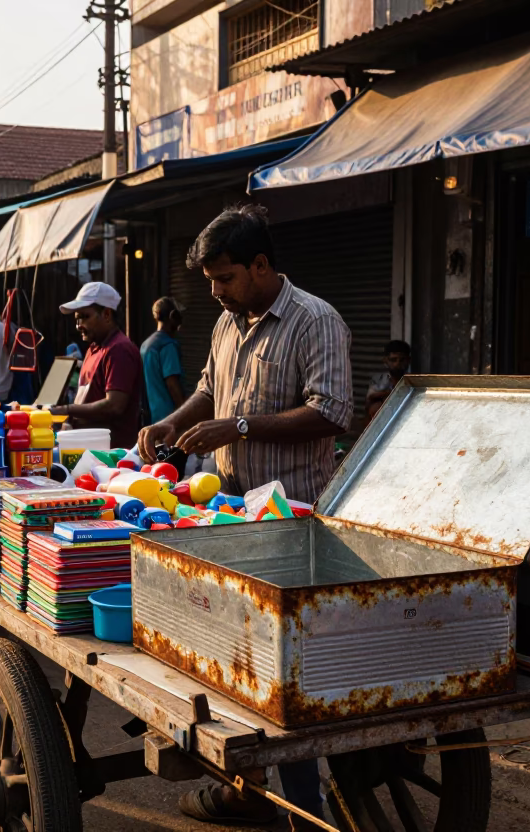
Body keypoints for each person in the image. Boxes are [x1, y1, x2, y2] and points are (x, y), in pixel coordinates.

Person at [137, 205, 352, 830]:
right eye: (210, 280)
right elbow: (210, 387)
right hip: (230, 514)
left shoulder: (316, 321)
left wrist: (237, 426)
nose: (214, 291)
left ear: (261, 265)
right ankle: (247, 788)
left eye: (225, 277)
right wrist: (171, 424)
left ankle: (302, 811)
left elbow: (333, 411)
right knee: (239, 665)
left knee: (287, 679)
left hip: (297, 523)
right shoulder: (229, 322)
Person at [49, 282, 144, 450]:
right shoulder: (94, 348)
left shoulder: (119, 349)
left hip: (111, 454)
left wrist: (66, 410)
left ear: (107, 314)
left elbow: (114, 405)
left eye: (85, 317)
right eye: (77, 319)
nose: (79, 326)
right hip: (85, 448)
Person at [140, 296, 186, 424]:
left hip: (150, 416)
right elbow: (172, 383)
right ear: (173, 316)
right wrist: (184, 413)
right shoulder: (167, 345)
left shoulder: (146, 344)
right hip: (167, 418)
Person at [366, 339, 411, 421]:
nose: (397, 364)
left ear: (408, 360)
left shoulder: (413, 381)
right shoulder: (379, 379)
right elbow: (370, 397)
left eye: (402, 360)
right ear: (385, 360)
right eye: (393, 360)